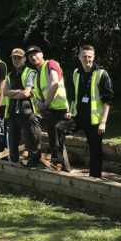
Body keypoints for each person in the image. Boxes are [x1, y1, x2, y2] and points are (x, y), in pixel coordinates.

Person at [57, 45, 114, 178]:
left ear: (93, 57)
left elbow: (108, 100)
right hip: (78, 116)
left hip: (94, 119)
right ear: (79, 57)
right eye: (84, 56)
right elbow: (74, 96)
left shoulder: (101, 74)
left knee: (95, 151)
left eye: (89, 57)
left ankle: (95, 179)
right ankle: (61, 163)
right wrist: (71, 111)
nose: (87, 59)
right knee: (59, 129)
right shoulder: (76, 73)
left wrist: (103, 122)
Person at [26, 45, 71, 171]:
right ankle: (63, 169)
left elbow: (54, 83)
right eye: (30, 56)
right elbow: (38, 94)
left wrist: (45, 103)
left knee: (57, 141)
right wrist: (40, 103)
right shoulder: (37, 74)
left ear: (41, 54)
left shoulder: (51, 64)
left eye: (35, 54)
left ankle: (60, 167)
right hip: (48, 109)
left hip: (59, 109)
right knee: (55, 140)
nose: (33, 57)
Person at [4, 48, 41, 165]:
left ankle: (32, 162)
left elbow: (27, 93)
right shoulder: (10, 75)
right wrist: (20, 92)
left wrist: (13, 93)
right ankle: (13, 162)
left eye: (19, 58)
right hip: (12, 111)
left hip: (27, 111)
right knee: (12, 141)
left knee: (31, 138)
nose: (16, 60)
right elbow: (5, 92)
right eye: (14, 58)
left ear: (24, 59)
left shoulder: (31, 72)